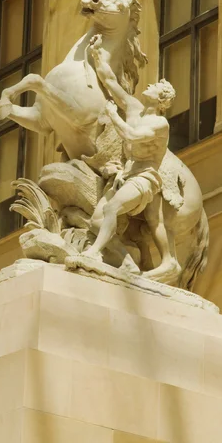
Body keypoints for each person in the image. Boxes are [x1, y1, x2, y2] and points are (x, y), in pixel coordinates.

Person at [81, 35, 181, 282]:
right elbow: (111, 81)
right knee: (95, 220)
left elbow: (132, 135)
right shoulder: (134, 107)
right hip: (126, 176)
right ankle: (126, 260)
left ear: (161, 99)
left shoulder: (160, 123)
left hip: (145, 178)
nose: (150, 85)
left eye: (156, 86)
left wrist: (114, 115)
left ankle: (93, 253)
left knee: (113, 208)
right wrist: (97, 53)